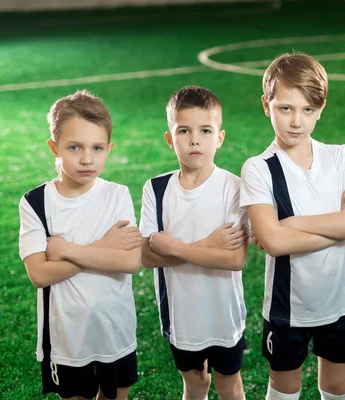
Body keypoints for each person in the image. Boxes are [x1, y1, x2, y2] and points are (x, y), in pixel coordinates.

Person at [240, 53, 345, 400]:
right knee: (284, 391)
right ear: (266, 104)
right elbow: (273, 241)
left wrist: (294, 225)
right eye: (285, 108)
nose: (296, 121)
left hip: (340, 302)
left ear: (321, 107)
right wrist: (337, 224)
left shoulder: (341, 156)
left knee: (337, 388)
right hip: (288, 307)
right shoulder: (258, 168)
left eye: (307, 110)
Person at [18, 89, 141, 400]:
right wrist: (104, 246)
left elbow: (130, 262)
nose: (87, 158)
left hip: (116, 328)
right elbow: (40, 275)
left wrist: (68, 250)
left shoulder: (117, 194)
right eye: (74, 147)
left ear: (109, 148)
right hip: (67, 339)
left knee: (117, 394)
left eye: (97, 148)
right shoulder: (36, 203)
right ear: (54, 147)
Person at [139, 86, 248, 400]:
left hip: (223, 312)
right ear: (170, 138)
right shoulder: (156, 189)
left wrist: (175, 247)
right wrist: (209, 244)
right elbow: (146, 256)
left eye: (205, 130)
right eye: (184, 130)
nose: (195, 139)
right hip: (181, 315)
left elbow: (234, 260)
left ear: (220, 137)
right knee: (195, 383)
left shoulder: (233, 187)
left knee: (230, 385)